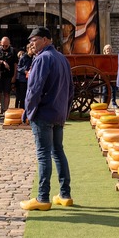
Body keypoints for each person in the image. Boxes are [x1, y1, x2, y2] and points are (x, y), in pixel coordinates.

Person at [20, 26, 74, 211]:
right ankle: (65, 194)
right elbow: (70, 89)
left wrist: (28, 111)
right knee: (58, 152)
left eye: (34, 40)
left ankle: (43, 197)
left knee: (44, 154)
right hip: (58, 112)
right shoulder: (62, 58)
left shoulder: (43, 58)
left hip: (43, 113)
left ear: (45, 39)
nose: (31, 44)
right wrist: (65, 111)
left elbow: (34, 89)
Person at [0, 37, 17, 118]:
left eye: (6, 46)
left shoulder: (13, 51)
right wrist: (3, 62)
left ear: (9, 44)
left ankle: (5, 110)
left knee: (7, 94)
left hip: (8, 75)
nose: (4, 47)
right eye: (3, 45)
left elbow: (15, 64)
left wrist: (14, 75)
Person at [15, 44, 34, 109]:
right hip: (23, 79)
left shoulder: (34, 57)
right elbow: (19, 67)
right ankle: (21, 108)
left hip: (30, 78)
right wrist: (25, 71)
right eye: (31, 49)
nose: (32, 50)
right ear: (27, 49)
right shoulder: (23, 57)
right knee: (22, 96)